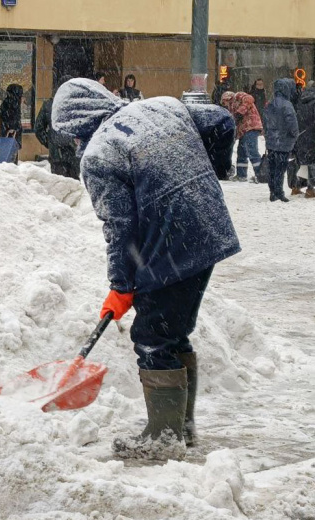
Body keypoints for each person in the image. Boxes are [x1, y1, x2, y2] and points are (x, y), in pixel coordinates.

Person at [51, 78, 241, 460]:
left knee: (153, 336)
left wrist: (121, 285)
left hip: (169, 246)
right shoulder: (162, 106)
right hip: (209, 228)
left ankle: (164, 438)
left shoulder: (100, 154)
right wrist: (210, 170)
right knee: (171, 333)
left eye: (72, 134)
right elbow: (222, 120)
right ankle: (179, 429)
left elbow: (120, 229)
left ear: (80, 121)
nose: (74, 142)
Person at [34, 76, 80, 179]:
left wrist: (49, 142)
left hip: (58, 153)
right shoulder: (76, 105)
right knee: (73, 187)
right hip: (72, 152)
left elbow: (38, 129)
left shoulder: (49, 105)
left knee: (59, 185)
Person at [264, 78, 299, 202]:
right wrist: (295, 135)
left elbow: (266, 122)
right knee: (281, 168)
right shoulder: (287, 105)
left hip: (272, 141)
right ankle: (279, 192)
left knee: (272, 168)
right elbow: (292, 123)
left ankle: (272, 191)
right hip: (283, 142)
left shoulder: (271, 103)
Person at [220, 91, 263, 182]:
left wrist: (240, 112)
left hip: (251, 127)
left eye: (225, 102)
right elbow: (235, 122)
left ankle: (260, 175)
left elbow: (249, 99)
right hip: (243, 130)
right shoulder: (231, 108)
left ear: (228, 98)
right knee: (241, 152)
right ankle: (241, 175)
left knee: (252, 151)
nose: (225, 105)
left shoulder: (238, 96)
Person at [294, 80, 315, 198]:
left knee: (304, 163)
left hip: (302, 134)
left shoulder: (301, 100)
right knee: (312, 163)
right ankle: (310, 189)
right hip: (312, 135)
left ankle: (296, 187)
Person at [0, 83, 24, 163]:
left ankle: (11, 164)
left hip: (10, 129)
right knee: (11, 150)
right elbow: (11, 116)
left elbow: (2, 114)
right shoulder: (12, 102)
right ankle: (11, 165)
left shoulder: (9, 101)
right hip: (11, 130)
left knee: (10, 149)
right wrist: (12, 127)